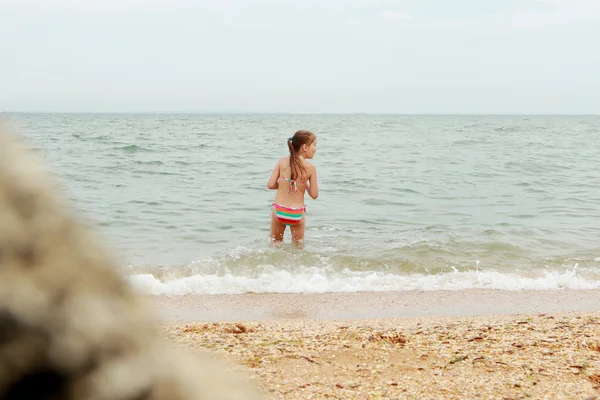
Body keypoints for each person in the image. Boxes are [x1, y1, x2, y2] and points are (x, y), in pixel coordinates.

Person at [267, 130, 318, 245]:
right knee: (298, 247)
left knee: (275, 243)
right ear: (305, 147)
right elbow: (314, 195)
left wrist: (283, 184)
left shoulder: (282, 162)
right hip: (297, 213)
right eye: (314, 145)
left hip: (280, 210)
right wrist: (304, 183)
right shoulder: (310, 168)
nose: (316, 148)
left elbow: (270, 185)